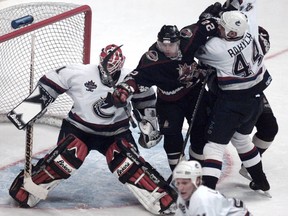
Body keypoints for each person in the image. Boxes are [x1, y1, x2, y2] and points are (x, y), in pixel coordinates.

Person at [8, 44, 177, 215]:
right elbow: (49, 82)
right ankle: (26, 187)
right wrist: (29, 109)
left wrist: (150, 126)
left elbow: (146, 101)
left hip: (116, 133)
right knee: (69, 154)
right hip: (79, 129)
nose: (109, 74)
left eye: (114, 68)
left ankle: (160, 195)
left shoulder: (132, 78)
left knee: (125, 161)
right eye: (107, 67)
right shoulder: (79, 73)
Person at [111, 18, 219, 171]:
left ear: (179, 42)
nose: (167, 49)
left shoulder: (189, 38)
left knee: (200, 132)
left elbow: (206, 24)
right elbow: (136, 76)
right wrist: (124, 89)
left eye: (171, 45)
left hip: (194, 93)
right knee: (171, 137)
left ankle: (197, 168)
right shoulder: (153, 59)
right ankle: (181, 173)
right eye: (163, 45)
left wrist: (221, 13)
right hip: (169, 101)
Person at [194, 0, 272, 193]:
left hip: (232, 104)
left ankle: (207, 193)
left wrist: (204, 21)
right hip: (255, 100)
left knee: (213, 148)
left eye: (222, 27)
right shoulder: (250, 30)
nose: (219, 28)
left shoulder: (218, 49)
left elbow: (195, 49)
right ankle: (261, 181)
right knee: (242, 140)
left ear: (230, 33)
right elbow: (247, 14)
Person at [173, 160, 252, 216]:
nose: (180, 188)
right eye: (178, 183)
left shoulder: (202, 201)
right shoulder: (184, 197)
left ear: (197, 181)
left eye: (185, 183)